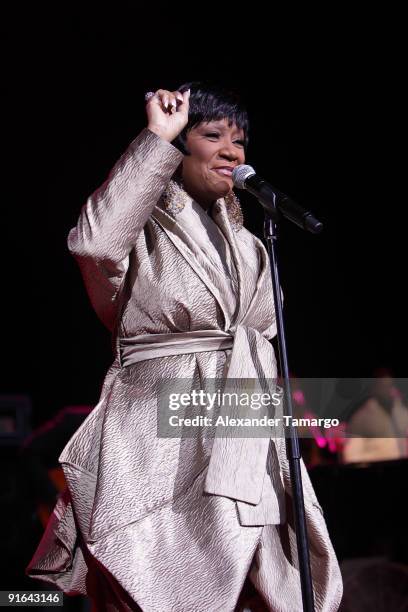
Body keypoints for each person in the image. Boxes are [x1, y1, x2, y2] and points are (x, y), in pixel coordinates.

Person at [26, 82, 342, 611]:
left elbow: (264, 332)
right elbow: (93, 243)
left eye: (239, 141)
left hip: (241, 434)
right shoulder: (142, 224)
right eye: (212, 134)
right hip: (159, 438)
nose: (232, 151)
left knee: (259, 583)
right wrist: (157, 137)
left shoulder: (249, 243)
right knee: (161, 577)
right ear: (180, 147)